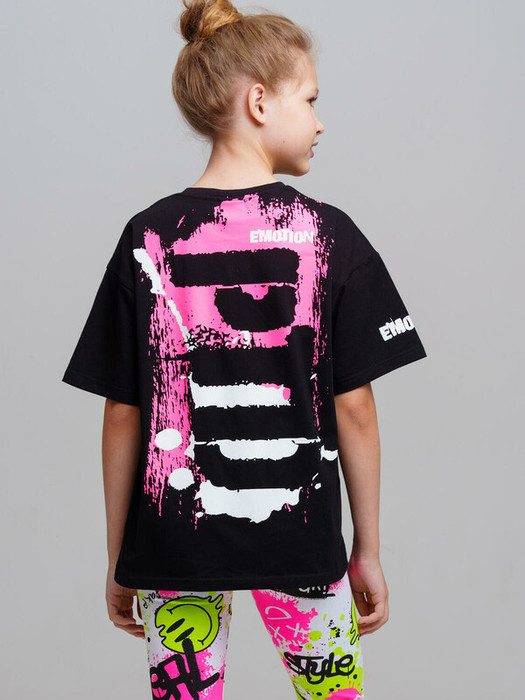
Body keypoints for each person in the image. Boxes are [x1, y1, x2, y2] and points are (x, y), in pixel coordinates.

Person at [61, 1, 428, 698]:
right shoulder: (328, 235)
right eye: (310, 100)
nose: (320, 122)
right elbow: (353, 408)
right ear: (259, 102)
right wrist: (367, 548)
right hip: (303, 538)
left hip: (173, 542)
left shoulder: (147, 237)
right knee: (332, 696)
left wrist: (121, 557)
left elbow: (121, 411)